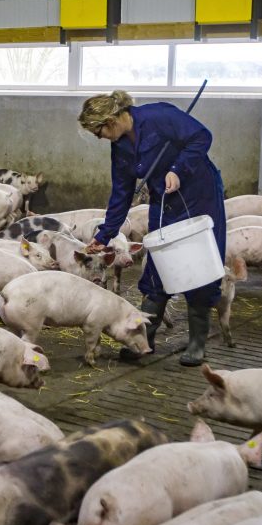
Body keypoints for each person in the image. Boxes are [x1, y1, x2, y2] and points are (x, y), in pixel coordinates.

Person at [78, 91, 226, 366]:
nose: (100, 138)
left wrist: (178, 169)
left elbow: (202, 137)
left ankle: (197, 342)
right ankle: (145, 338)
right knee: (158, 264)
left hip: (198, 196)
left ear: (110, 120)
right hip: (164, 201)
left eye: (99, 132)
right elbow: (121, 192)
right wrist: (105, 234)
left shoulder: (160, 116)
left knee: (199, 265)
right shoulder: (120, 146)